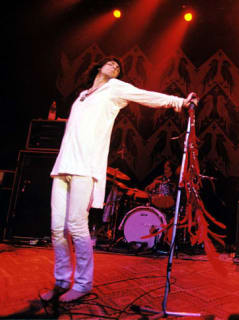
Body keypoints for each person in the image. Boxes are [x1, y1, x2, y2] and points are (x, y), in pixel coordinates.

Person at [41, 57, 198, 303]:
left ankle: (82, 283)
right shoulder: (82, 95)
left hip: (85, 167)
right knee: (57, 229)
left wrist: (178, 102)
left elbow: (146, 96)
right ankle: (61, 281)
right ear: (97, 67)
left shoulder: (114, 88)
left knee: (76, 225)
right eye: (110, 63)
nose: (115, 66)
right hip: (62, 166)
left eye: (118, 66)